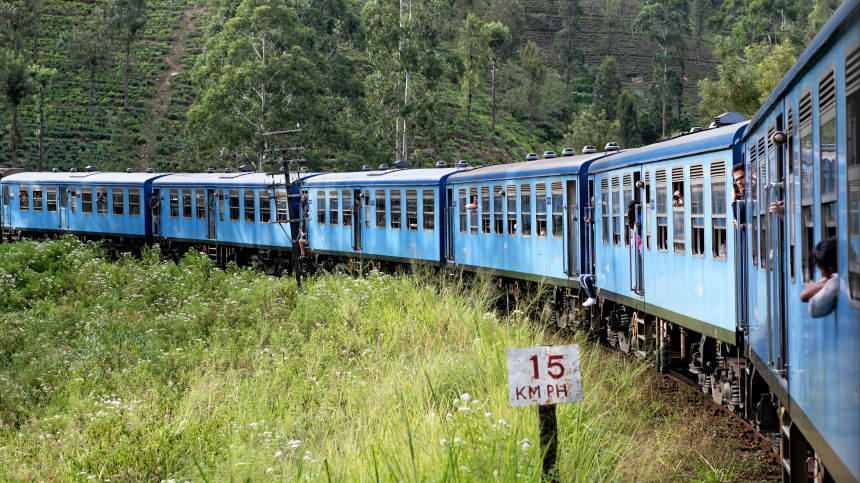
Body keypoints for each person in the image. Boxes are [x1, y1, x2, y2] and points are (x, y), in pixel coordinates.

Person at [801, 236, 838, 318]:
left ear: (831, 270)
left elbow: (805, 297)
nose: (822, 275)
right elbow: (805, 293)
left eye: (821, 269)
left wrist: (828, 281)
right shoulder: (835, 279)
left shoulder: (836, 282)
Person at [730, 163, 746, 229]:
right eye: (736, 180)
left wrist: (733, 200)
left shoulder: (748, 192)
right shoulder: (745, 194)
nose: (739, 182)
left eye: (742, 177)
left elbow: (740, 218)